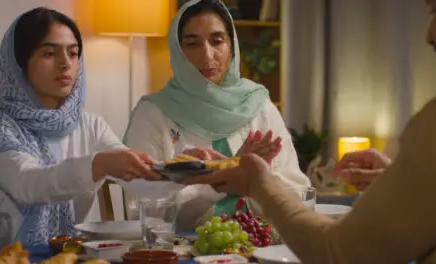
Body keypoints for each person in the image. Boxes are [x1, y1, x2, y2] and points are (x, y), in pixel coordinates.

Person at [184, 0, 436, 262]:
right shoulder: (155, 111)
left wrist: (259, 184)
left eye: (435, 11)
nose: (428, 35)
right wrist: (400, 187)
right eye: (193, 43)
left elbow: (336, 251)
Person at [0, 7, 161, 249]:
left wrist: (186, 168)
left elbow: (135, 177)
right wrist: (97, 164)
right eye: (49, 54)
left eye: (73, 54)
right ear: (19, 63)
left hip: (70, 255)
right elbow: (30, 184)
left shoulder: (90, 125)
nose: (65, 64)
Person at [122, 0, 310, 231]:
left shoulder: (259, 105)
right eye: (193, 44)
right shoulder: (152, 113)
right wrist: (220, 179)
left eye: (217, 41)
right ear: (178, 51)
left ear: (232, 46)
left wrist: (258, 179)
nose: (207, 54)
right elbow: (143, 208)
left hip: (261, 246)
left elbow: (300, 192)